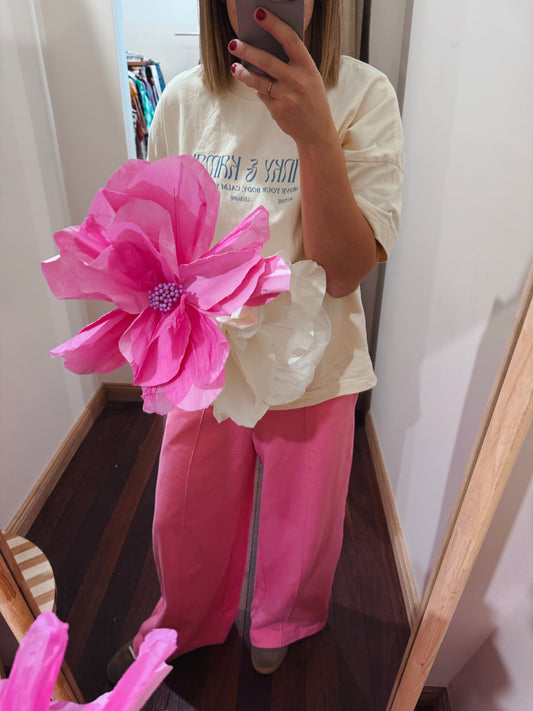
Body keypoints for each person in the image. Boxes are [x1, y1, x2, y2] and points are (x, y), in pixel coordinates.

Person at [107, 0, 403, 681]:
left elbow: (342, 272)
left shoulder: (363, 95)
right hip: (205, 361)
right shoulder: (183, 101)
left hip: (314, 361)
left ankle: (284, 619)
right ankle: (184, 620)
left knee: (303, 524)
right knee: (184, 514)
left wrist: (314, 135)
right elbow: (161, 243)